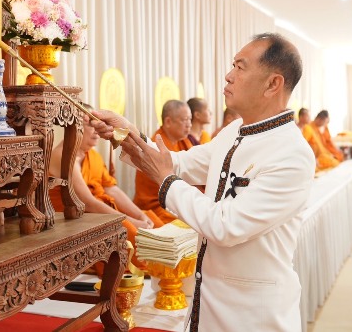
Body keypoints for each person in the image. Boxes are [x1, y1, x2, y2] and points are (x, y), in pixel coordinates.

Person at [91, 32, 315, 331]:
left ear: (273, 84)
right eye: (233, 66)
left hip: (254, 313)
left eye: (240, 67)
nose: (229, 75)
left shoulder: (291, 153)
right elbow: (179, 163)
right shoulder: (235, 131)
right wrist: (129, 133)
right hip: (209, 298)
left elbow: (226, 226)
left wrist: (166, 180)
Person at [48, 108, 164, 272]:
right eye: (90, 125)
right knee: (130, 231)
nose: (96, 131)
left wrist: (139, 215)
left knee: (154, 222)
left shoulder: (92, 155)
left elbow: (111, 189)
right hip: (74, 220)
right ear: (74, 127)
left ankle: (170, 264)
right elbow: (87, 203)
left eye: (98, 125)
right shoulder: (63, 155)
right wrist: (131, 221)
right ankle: (156, 269)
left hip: (99, 214)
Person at [132, 99, 193, 224]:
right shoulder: (155, 146)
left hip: (179, 202)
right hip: (158, 206)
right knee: (189, 223)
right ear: (168, 121)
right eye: (185, 120)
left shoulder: (184, 142)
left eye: (190, 120)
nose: (189, 125)